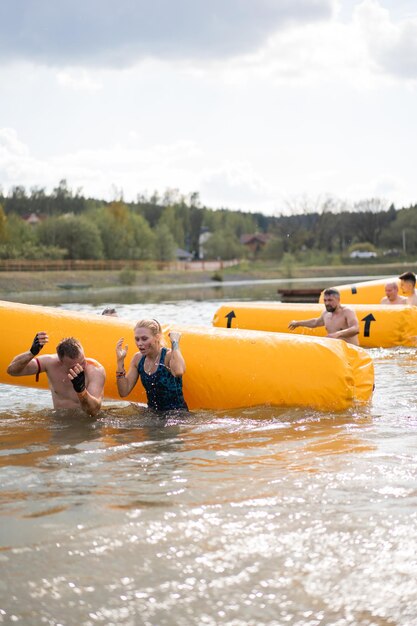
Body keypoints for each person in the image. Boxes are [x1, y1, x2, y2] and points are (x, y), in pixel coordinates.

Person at [7, 333, 105, 416]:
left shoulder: (95, 370)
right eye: (75, 365)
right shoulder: (50, 363)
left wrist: (81, 390)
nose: (82, 367)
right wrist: (31, 353)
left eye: (83, 361)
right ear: (61, 362)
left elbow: (93, 411)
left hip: (84, 424)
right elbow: (12, 371)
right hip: (59, 422)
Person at [115, 319, 188, 412]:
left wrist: (175, 342)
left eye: (144, 339)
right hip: (152, 414)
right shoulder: (138, 359)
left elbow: (179, 371)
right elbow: (123, 392)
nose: (139, 343)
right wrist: (120, 362)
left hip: (176, 415)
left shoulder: (168, 355)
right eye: (137, 339)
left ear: (157, 337)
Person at [288, 288, 360, 345]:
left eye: (330, 300)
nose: (327, 303)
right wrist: (298, 323)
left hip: (351, 351)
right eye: (325, 300)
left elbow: (355, 329)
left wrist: (337, 334)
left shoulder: (348, 312)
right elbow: (315, 322)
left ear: (338, 300)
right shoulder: (326, 314)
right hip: (336, 351)